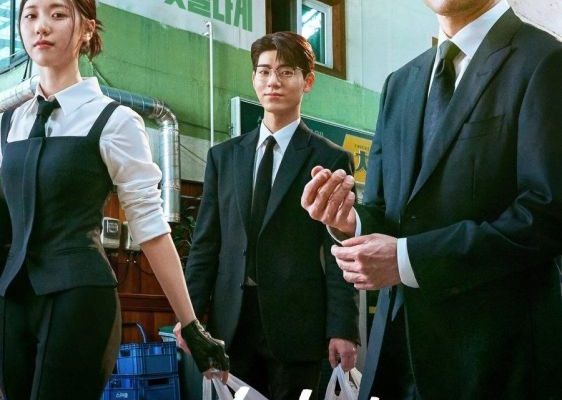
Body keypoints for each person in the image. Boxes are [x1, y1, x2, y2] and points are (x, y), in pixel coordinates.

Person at [301, 0, 562, 399]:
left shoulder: (544, 61)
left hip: (494, 362)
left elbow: (545, 216)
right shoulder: (400, 82)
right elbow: (390, 212)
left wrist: (409, 260)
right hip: (399, 357)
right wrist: (350, 222)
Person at [0, 0, 228, 398]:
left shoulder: (115, 120)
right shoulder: (9, 122)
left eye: (57, 14)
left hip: (79, 300)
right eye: (30, 15)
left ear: (87, 29)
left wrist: (190, 323)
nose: (41, 26)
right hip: (12, 303)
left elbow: (151, 228)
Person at [174, 31, 359, 399]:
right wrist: (189, 317)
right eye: (264, 71)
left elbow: (340, 250)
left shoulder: (329, 158)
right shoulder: (223, 157)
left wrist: (343, 328)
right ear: (254, 78)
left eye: (286, 72)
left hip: (298, 324)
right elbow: (206, 246)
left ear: (308, 81)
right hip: (231, 322)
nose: (273, 81)